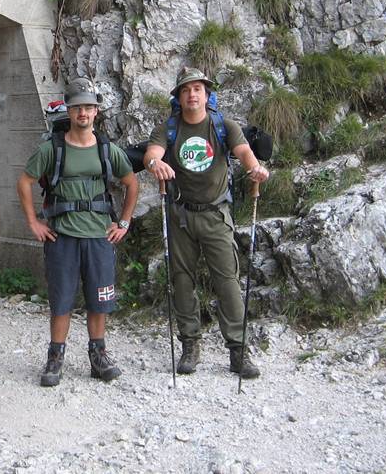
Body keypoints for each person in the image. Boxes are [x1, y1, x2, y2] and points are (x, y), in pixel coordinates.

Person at [142, 66, 270, 378]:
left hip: (215, 214)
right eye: (186, 90)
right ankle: (190, 345)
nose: (192, 94)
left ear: (207, 94)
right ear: (179, 97)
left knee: (227, 281)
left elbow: (243, 152)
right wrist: (156, 163)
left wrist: (256, 169)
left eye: (197, 89)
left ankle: (239, 351)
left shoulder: (224, 125)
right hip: (181, 215)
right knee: (182, 281)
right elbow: (151, 154)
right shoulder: (168, 129)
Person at [16, 77, 139, 387]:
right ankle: (55, 357)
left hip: (99, 236)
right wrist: (34, 222)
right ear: (69, 112)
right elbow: (24, 182)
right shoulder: (52, 149)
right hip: (61, 236)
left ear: (96, 112)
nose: (83, 113)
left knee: (100, 298)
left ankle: (98, 354)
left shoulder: (107, 149)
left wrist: (123, 222)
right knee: (61, 299)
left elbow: (131, 183)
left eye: (88, 108)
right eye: (77, 108)